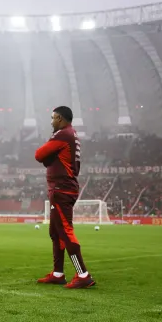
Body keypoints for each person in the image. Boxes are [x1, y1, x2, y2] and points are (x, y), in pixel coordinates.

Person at [34, 106, 95, 289]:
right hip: (63, 188)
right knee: (56, 232)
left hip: (61, 189)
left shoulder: (62, 134)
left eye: (53, 118)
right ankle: (58, 273)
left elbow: (39, 155)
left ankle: (83, 274)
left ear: (60, 118)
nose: (51, 121)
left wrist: (48, 158)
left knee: (66, 231)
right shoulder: (72, 134)